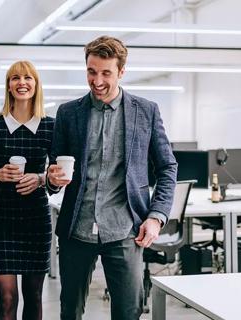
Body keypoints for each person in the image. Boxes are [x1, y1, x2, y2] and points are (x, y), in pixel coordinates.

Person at [47, 36, 178, 320]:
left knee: (128, 312)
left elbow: (168, 167)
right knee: (70, 310)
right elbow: (53, 168)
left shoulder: (146, 111)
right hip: (76, 229)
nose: (97, 81)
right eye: (91, 72)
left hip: (124, 229)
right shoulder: (68, 113)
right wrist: (52, 179)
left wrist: (156, 216)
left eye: (106, 73)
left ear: (121, 71)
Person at [0, 60, 54, 320]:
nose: (22, 83)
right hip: (1, 220)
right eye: (16, 78)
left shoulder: (50, 126)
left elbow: (57, 176)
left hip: (35, 220)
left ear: (36, 84)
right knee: (7, 298)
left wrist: (40, 179)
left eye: (28, 78)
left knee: (33, 297)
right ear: (8, 85)